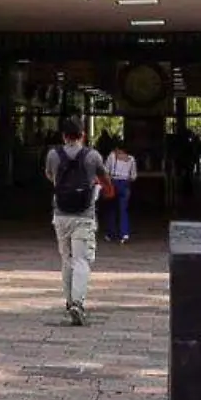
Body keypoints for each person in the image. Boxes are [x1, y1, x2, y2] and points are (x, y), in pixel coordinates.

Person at [45, 118, 111, 327]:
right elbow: (104, 177)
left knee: (66, 259)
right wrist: (106, 190)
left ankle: (68, 300)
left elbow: (50, 176)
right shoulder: (92, 155)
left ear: (63, 136)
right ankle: (77, 302)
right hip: (84, 214)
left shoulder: (53, 154)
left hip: (61, 213)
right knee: (82, 259)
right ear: (83, 134)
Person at [105, 145, 138, 243]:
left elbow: (106, 170)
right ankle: (124, 234)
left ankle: (111, 234)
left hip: (113, 182)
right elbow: (133, 176)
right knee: (123, 210)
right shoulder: (131, 159)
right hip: (125, 184)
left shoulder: (112, 155)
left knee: (112, 209)